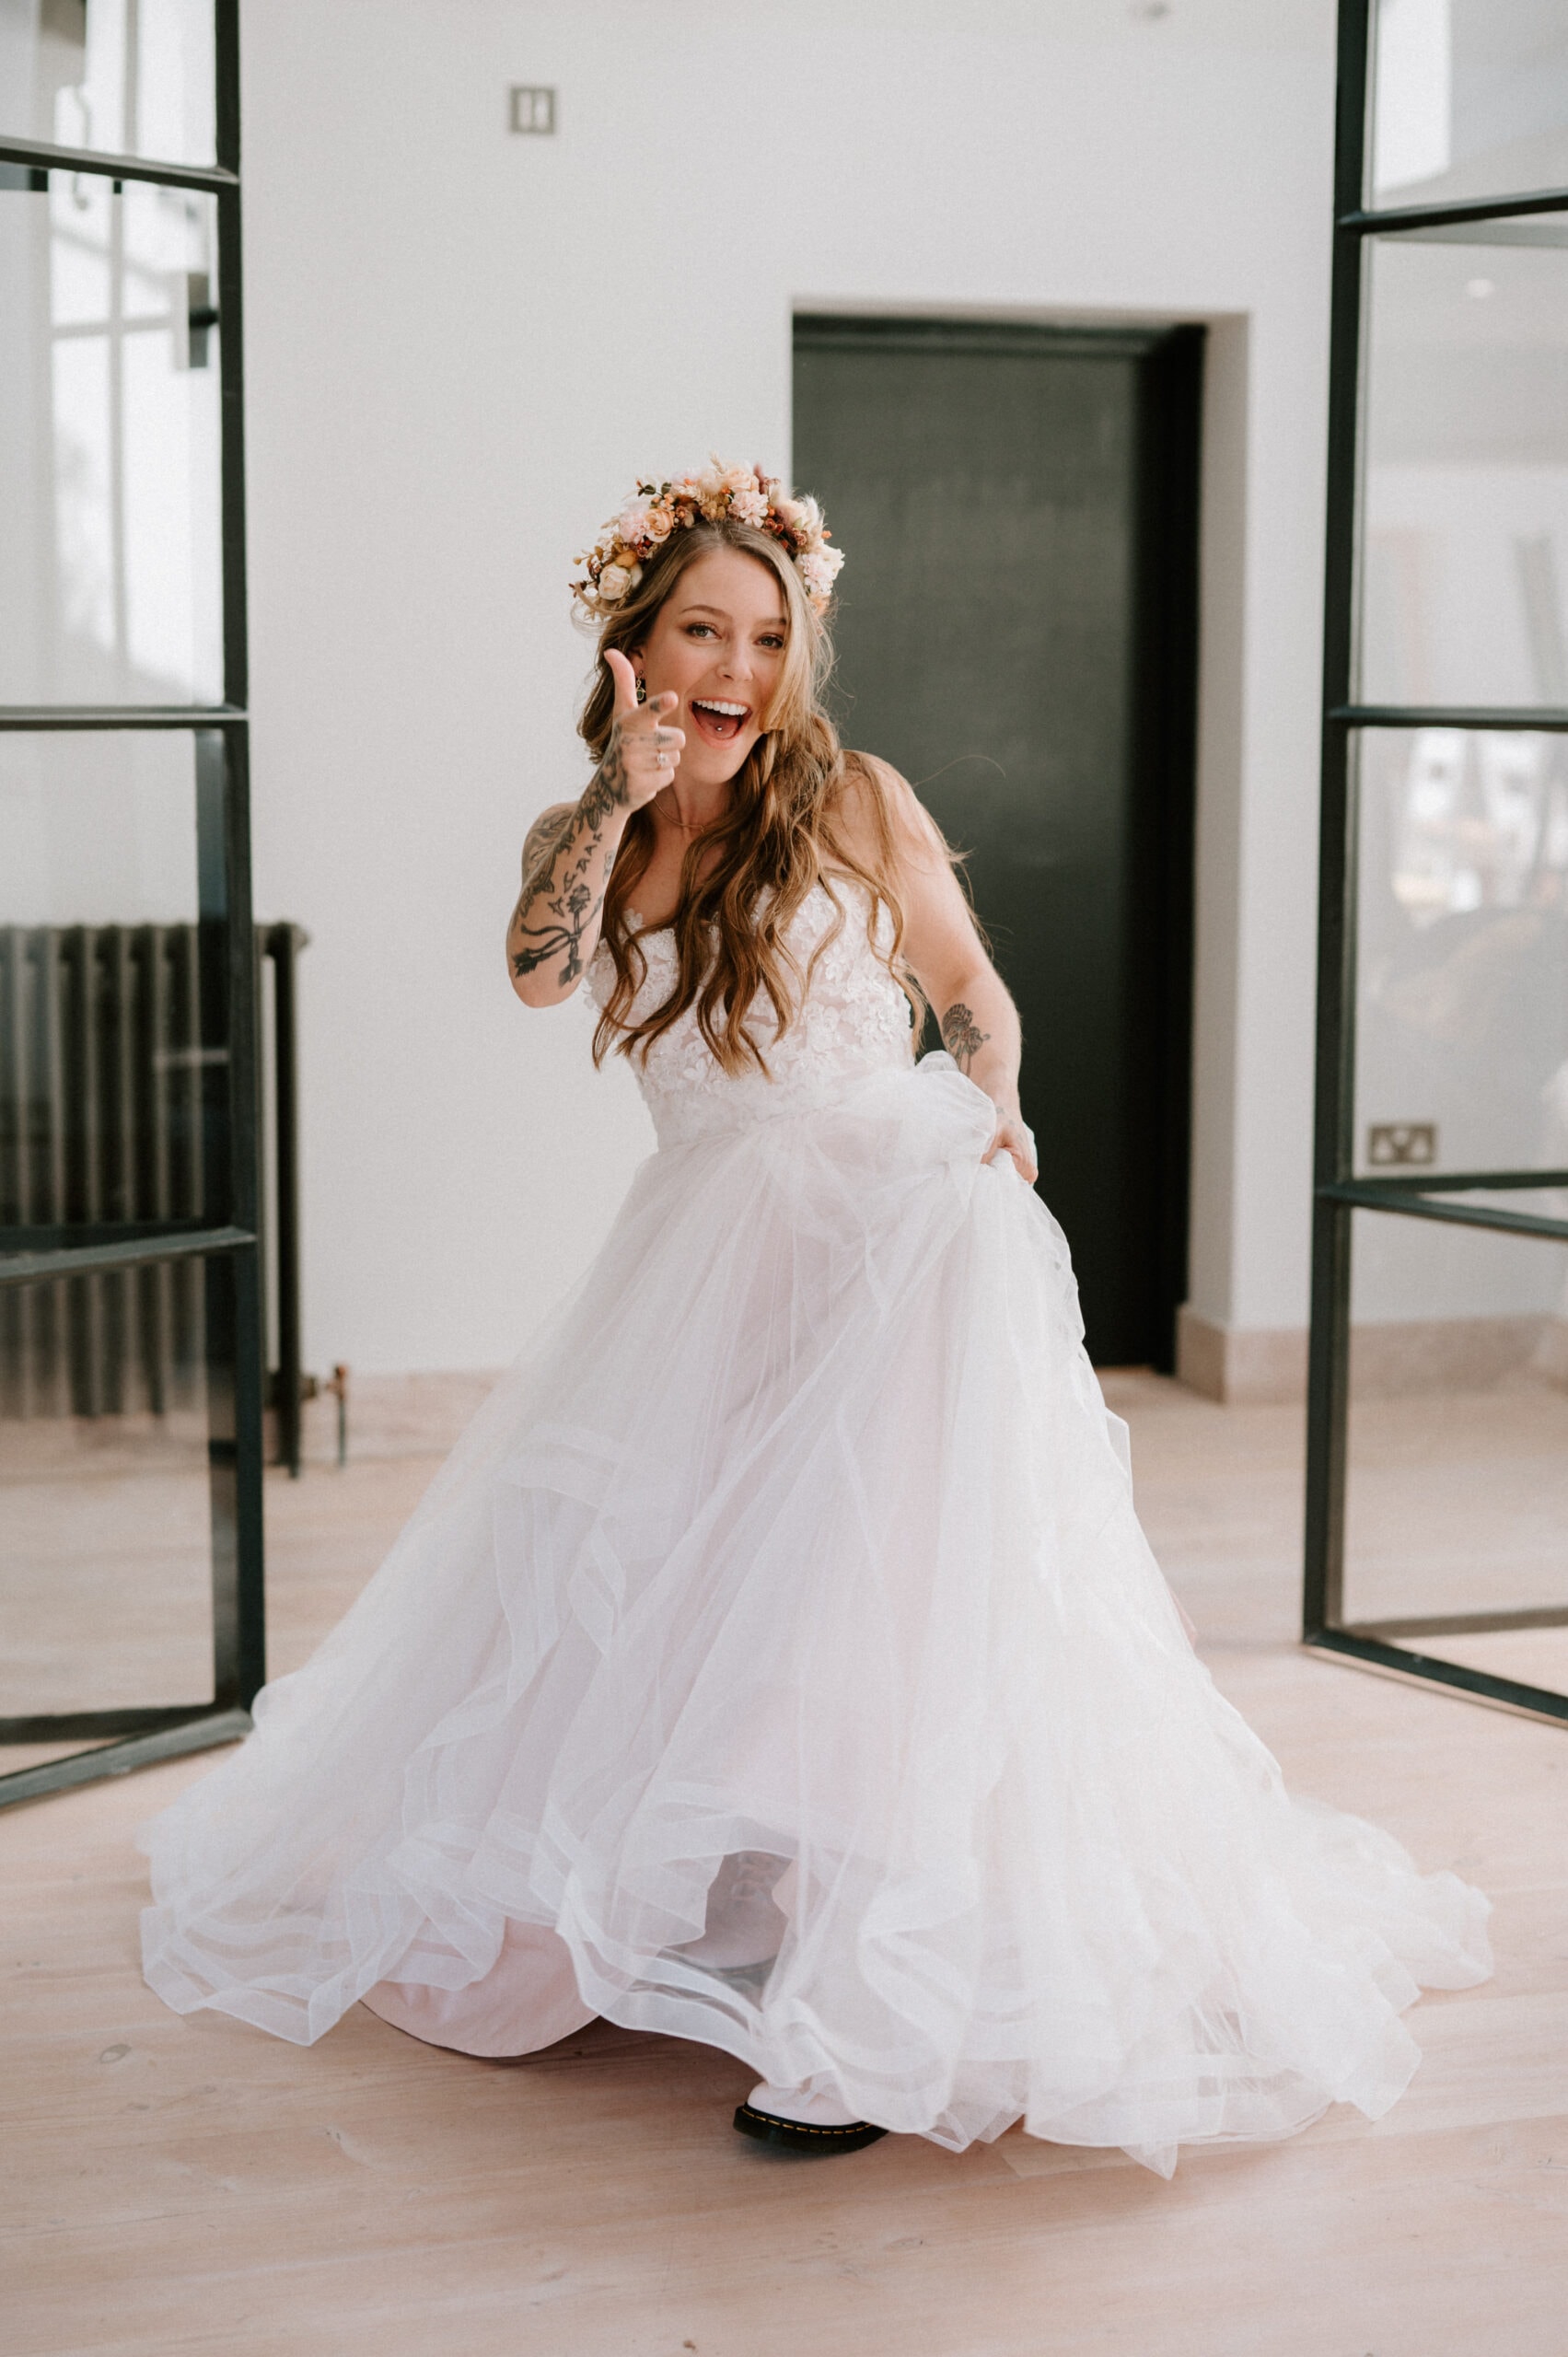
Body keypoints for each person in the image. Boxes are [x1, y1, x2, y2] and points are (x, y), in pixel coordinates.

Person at [141, 460, 1490, 2171]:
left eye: (769, 638)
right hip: (705, 1265)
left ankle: (863, 2011)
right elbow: (539, 972)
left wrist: (998, 1101)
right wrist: (621, 795)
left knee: (876, 1591)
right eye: (704, 631)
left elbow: (969, 989)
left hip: (900, 1232)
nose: (738, 667)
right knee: (691, 1576)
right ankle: (714, 1896)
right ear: (636, 646)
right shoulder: (586, 834)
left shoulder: (854, 800)